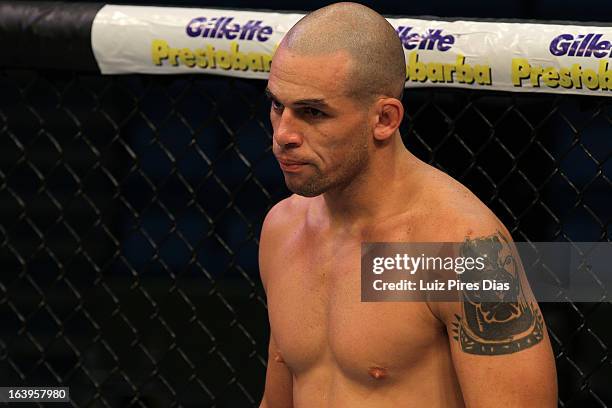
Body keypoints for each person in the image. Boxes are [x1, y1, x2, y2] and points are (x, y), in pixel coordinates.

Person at [258, 2, 557, 407]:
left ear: (384, 119)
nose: (284, 134)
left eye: (313, 112)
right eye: (278, 106)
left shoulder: (463, 250)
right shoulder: (283, 229)